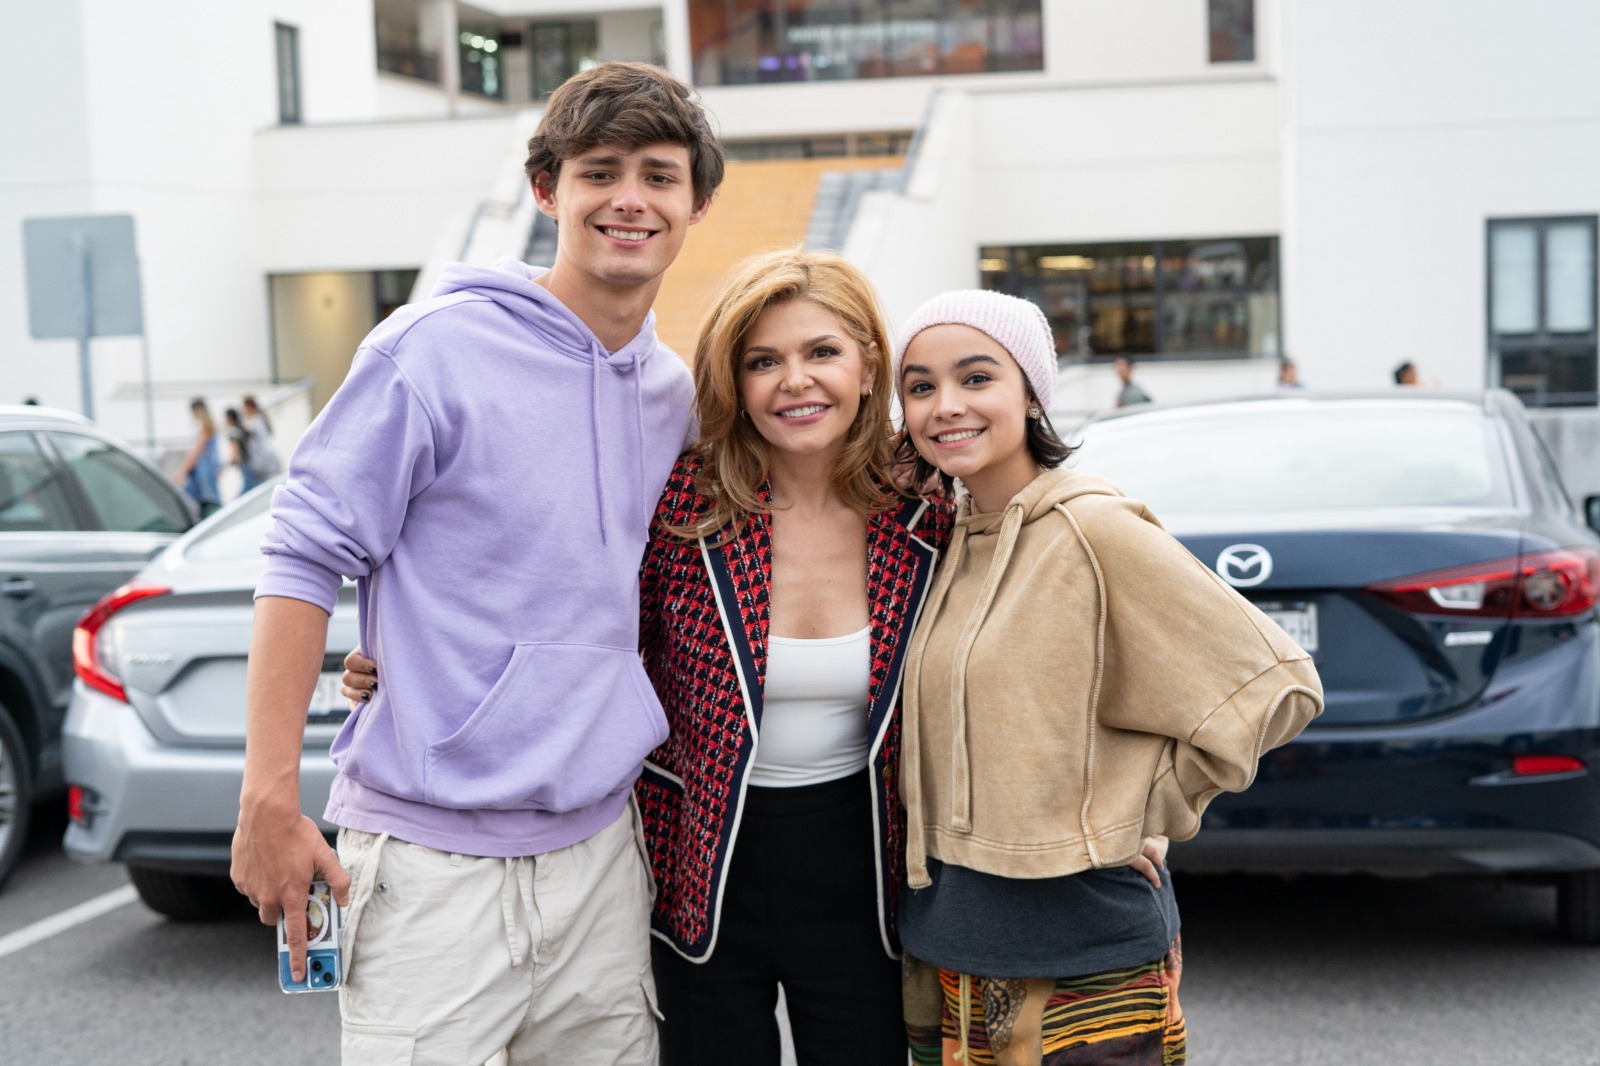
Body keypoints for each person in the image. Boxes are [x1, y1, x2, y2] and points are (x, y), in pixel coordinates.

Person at [231, 61, 722, 1065]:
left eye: (659, 176)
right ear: (546, 190)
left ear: (696, 203)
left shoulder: (670, 394)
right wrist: (267, 794)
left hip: (601, 861)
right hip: (429, 868)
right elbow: (302, 551)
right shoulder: (432, 349)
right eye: (599, 172)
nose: (630, 199)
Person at [893, 290, 1323, 1066]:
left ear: (1031, 394)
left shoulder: (1091, 528)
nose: (946, 404)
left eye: (976, 377)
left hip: (1083, 960)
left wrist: (1142, 811)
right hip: (949, 947)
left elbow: (1275, 685)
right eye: (921, 386)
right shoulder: (945, 541)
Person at [639, 249, 954, 1064]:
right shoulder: (682, 506)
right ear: (735, 382)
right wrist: (408, 664)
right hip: (703, 868)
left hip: (865, 875)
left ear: (868, 366)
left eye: (821, 352)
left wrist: (1118, 808)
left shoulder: (928, 510)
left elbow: (1030, 655)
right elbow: (589, 636)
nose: (795, 382)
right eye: (763, 362)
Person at [173, 397, 222, 517]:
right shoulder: (207, 426)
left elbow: (196, 451)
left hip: (204, 471)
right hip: (205, 470)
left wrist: (183, 471)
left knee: (209, 502)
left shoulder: (204, 428)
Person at [240, 394, 281, 482]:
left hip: (264, 459)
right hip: (266, 457)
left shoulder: (255, 422)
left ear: (249, 407)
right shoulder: (260, 419)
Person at [222, 407, 257, 493]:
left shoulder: (233, 433)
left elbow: (234, 452)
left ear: (230, 418)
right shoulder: (240, 429)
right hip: (252, 463)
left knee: (247, 490)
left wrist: (224, 468)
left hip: (245, 464)